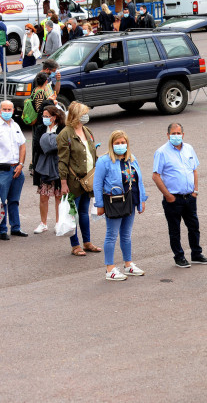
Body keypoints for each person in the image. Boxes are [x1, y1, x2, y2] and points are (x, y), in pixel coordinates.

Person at [152, 123, 207, 268]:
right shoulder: (161, 152)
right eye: (173, 133)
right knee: (175, 230)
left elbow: (194, 170)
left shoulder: (189, 149)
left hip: (189, 197)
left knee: (194, 227)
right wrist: (168, 196)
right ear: (168, 135)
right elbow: (156, 176)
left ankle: (196, 253)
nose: (176, 136)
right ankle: (179, 256)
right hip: (173, 199)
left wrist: (195, 191)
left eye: (179, 133)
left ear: (183, 134)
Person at [94, 130, 148, 281]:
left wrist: (142, 200)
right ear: (111, 145)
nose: (120, 145)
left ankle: (128, 264)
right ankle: (110, 268)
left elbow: (139, 180)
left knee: (126, 235)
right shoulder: (104, 161)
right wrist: (99, 204)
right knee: (111, 235)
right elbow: (97, 184)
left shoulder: (132, 159)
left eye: (123, 143)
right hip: (115, 202)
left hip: (130, 201)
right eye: (117, 143)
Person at [57, 102, 100, 256]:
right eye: (83, 113)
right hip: (73, 182)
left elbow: (92, 153)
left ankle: (87, 242)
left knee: (83, 212)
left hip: (87, 180)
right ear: (75, 115)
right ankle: (75, 245)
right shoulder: (65, 134)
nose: (86, 116)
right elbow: (62, 160)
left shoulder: (87, 131)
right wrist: (63, 183)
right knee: (73, 214)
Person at [0, 101, 28, 240]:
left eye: (9, 109)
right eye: (4, 109)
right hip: (2, 170)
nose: (7, 111)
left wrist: (21, 164)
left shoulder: (15, 126)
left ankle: (16, 227)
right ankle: (2, 229)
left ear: (13, 109)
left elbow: (23, 145)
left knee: (14, 200)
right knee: (1, 201)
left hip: (16, 169)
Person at [33, 106, 65, 234]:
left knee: (58, 195)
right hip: (44, 166)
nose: (44, 118)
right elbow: (36, 145)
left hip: (58, 166)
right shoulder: (41, 128)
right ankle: (43, 223)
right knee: (43, 195)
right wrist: (51, 146)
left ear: (55, 117)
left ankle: (58, 222)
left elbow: (63, 146)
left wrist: (49, 145)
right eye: (43, 116)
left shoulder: (62, 129)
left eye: (47, 116)